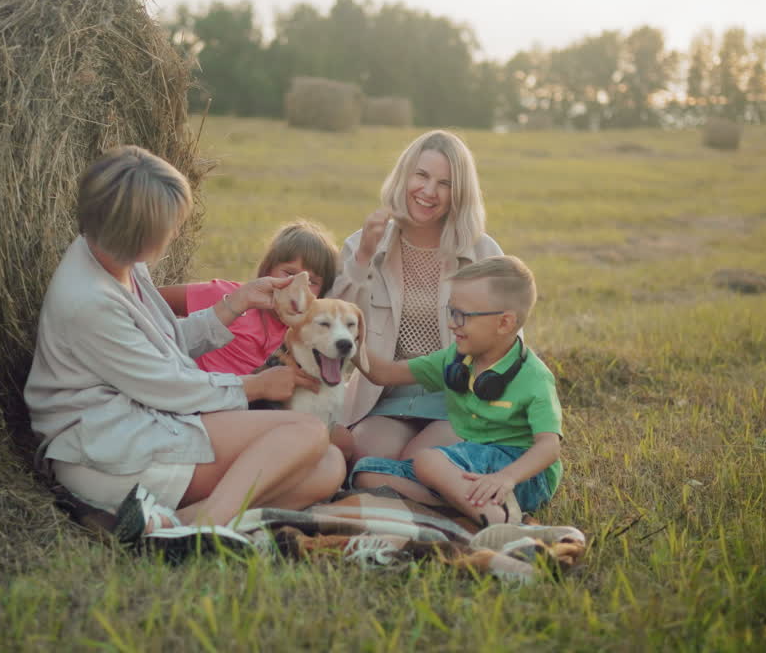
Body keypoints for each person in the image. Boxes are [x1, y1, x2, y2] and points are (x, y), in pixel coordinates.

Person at [25, 146, 346, 539]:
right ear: (137, 232)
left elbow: (165, 343)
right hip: (107, 451)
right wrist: (256, 386)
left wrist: (236, 303)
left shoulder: (116, 259)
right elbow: (168, 387)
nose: (176, 232)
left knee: (330, 466)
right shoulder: (89, 301)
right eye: (170, 225)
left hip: (144, 421)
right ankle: (204, 525)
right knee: (309, 433)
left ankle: (168, 525)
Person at [328, 130, 504, 463]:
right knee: (366, 458)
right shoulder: (363, 243)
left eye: (445, 183)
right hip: (385, 398)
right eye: (421, 175)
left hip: (458, 400)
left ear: (459, 193)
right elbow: (335, 326)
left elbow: (507, 344)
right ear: (404, 176)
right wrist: (363, 257)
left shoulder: (484, 253)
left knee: (424, 461)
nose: (428, 191)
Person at [350, 256, 562, 526]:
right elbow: (385, 373)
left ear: (504, 323)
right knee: (366, 474)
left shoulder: (534, 377)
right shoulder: (457, 359)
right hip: (466, 465)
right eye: (451, 312)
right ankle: (458, 508)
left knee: (427, 460)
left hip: (522, 475)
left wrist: (505, 478)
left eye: (463, 315)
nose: (452, 324)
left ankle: (503, 523)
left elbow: (549, 447)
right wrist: (346, 338)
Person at [157, 220, 338, 375]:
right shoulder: (226, 295)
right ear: (268, 270)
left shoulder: (311, 334)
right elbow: (148, 300)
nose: (298, 286)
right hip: (204, 400)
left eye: (311, 281)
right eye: (289, 273)